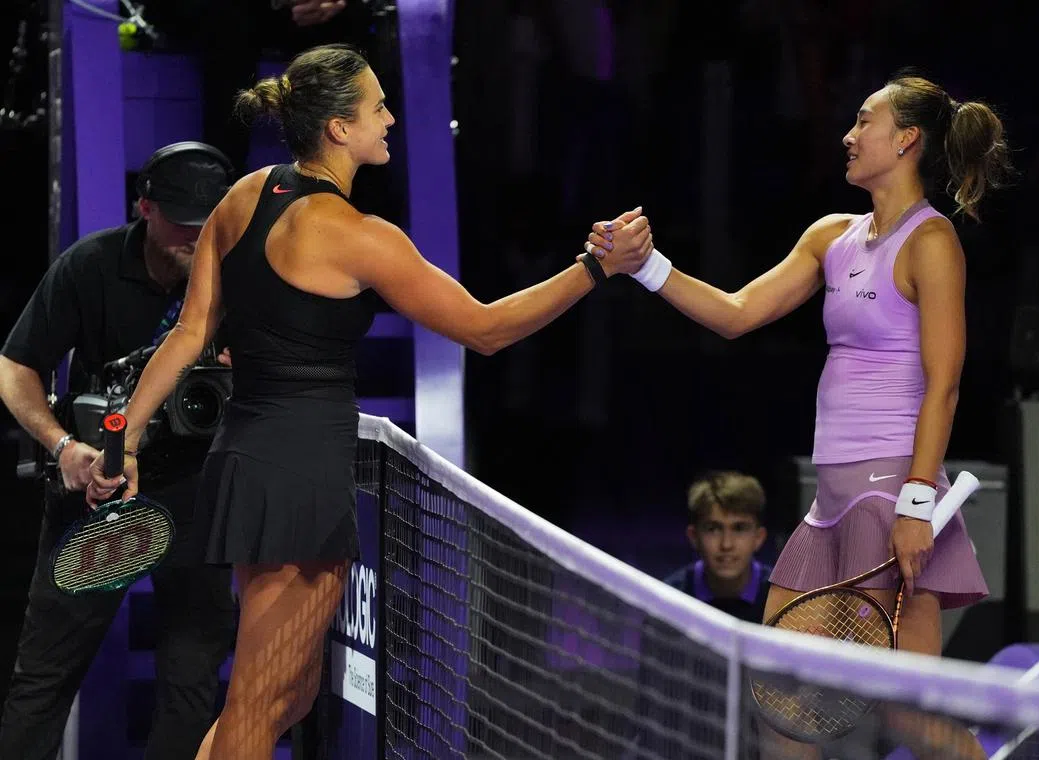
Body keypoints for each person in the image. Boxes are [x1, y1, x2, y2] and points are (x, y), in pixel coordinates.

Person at [86, 43, 653, 759]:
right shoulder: (358, 238)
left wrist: (126, 436)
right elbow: (484, 330)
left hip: (249, 461)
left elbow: (190, 333)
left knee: (285, 694)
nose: (391, 118)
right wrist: (595, 269)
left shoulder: (243, 197)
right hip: (298, 477)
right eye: (378, 107)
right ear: (338, 130)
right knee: (256, 708)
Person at [587, 73, 1014, 656]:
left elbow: (945, 386)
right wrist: (645, 266)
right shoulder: (830, 236)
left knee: (908, 714)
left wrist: (917, 505)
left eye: (865, 121)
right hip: (830, 497)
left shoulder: (931, 242)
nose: (849, 135)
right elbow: (736, 313)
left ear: (906, 140)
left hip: (888, 494)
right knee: (779, 696)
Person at [0, 142, 237, 760]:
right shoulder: (91, 266)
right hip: (98, 491)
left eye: (207, 221)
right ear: (145, 207)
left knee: (191, 676)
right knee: (45, 676)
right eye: (181, 220)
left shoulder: (236, 277)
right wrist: (63, 445)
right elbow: (15, 365)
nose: (194, 235)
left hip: (193, 491)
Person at [662, 470, 772, 623]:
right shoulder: (668, 599)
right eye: (713, 529)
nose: (726, 544)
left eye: (739, 528)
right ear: (694, 537)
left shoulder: (779, 598)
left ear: (759, 538)